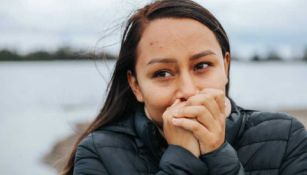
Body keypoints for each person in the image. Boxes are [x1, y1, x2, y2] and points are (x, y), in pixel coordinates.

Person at [62, 0, 307, 174]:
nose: (188, 91)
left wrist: (218, 153)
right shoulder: (98, 154)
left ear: (226, 66)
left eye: (201, 65)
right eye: (163, 73)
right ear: (136, 86)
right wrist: (181, 157)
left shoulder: (287, 137)